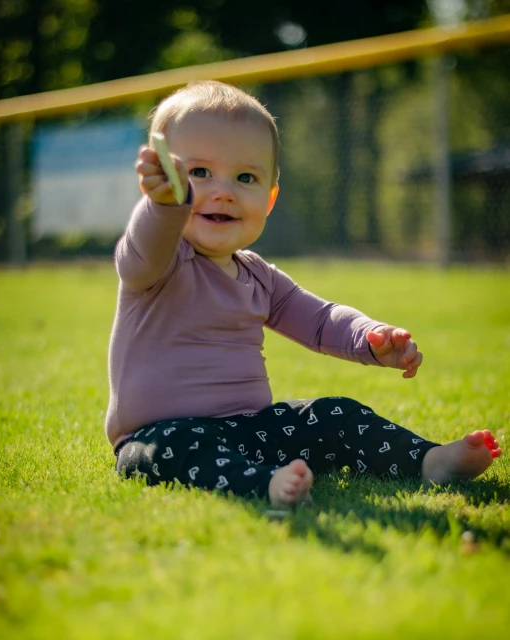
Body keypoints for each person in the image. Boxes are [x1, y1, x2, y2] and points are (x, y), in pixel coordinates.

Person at [105, 80, 501, 506]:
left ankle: (428, 460)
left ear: (270, 199)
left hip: (253, 430)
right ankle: (265, 484)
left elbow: (320, 319)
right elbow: (138, 253)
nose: (224, 190)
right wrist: (165, 206)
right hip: (159, 436)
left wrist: (370, 337)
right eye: (198, 173)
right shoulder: (161, 260)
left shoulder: (259, 276)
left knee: (335, 413)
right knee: (179, 449)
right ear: (163, 181)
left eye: (245, 177)